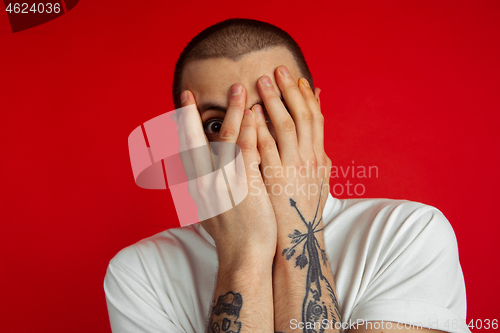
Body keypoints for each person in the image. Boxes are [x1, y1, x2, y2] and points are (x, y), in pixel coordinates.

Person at [104, 18, 470, 333]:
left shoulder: (407, 235)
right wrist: (244, 255)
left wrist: (297, 226)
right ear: (186, 143)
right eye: (217, 124)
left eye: (273, 112)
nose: (250, 144)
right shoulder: (140, 273)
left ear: (311, 114)